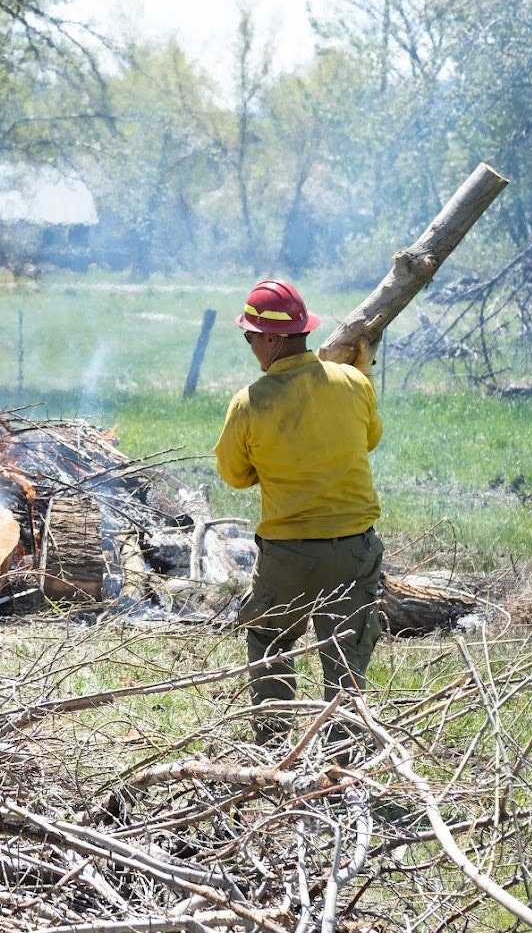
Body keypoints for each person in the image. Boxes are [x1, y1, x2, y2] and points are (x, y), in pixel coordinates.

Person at [213, 279, 384, 749]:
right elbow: (369, 439)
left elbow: (235, 475)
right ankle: (343, 762)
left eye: (250, 336)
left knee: (269, 643)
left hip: (288, 557)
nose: (249, 345)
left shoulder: (250, 402)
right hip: (354, 551)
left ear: (271, 339)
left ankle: (272, 752)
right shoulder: (354, 383)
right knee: (346, 659)